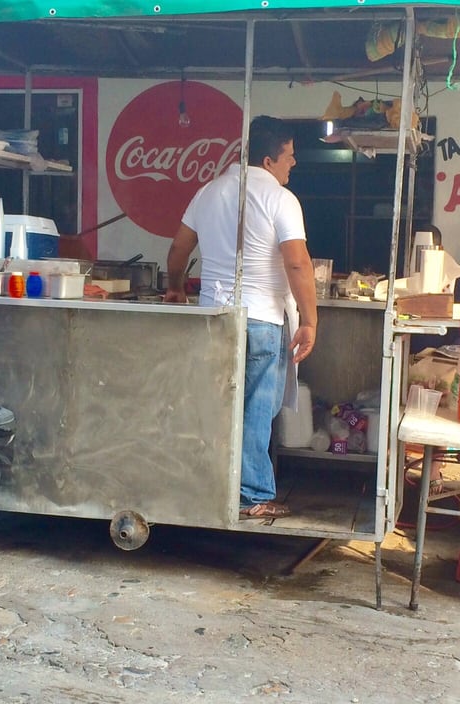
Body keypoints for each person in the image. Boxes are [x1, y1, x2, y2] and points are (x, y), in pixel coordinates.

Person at [164, 115, 318, 519]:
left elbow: (178, 250)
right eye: (289, 156)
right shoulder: (281, 199)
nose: (293, 164)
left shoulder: (208, 192)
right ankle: (251, 495)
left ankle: (207, 488)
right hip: (261, 318)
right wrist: (310, 319)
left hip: (213, 318)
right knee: (254, 408)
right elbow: (298, 264)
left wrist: (176, 286)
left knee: (215, 404)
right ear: (268, 160)